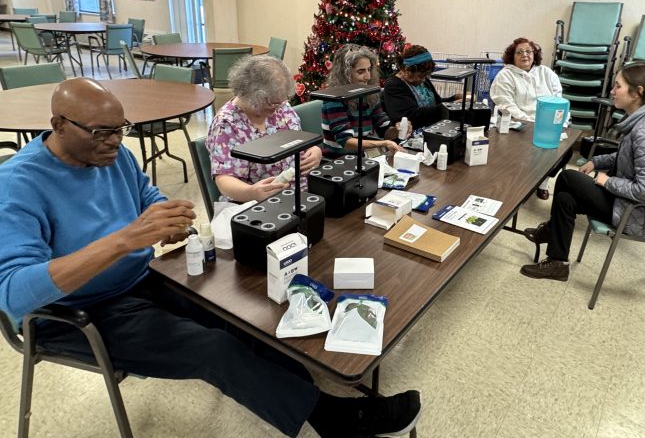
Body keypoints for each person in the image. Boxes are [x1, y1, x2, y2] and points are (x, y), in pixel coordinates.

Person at [0, 78, 422, 438]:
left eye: (120, 130)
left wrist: (167, 212)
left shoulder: (111, 155)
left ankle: (297, 385)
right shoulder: (17, 184)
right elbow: (15, 294)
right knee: (212, 348)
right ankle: (333, 419)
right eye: (100, 133)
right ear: (57, 124)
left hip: (138, 278)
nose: (115, 141)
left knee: (235, 315)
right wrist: (125, 240)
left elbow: (146, 196)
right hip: (73, 312)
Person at [520, 62, 645, 282]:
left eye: (617, 86)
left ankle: (550, 234)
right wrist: (597, 162)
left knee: (568, 177)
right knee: (564, 198)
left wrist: (606, 181)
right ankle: (557, 262)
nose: (612, 91)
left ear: (638, 93)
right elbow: (628, 157)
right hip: (637, 204)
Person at [207, 56, 322, 203]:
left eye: (280, 103)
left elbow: (298, 141)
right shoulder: (227, 124)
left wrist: (314, 151)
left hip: (298, 194)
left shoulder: (281, 108)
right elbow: (224, 179)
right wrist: (251, 193)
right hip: (255, 203)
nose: (277, 109)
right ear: (251, 95)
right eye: (272, 104)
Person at [489, 37, 568, 199]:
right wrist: (532, 124)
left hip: (548, 126)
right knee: (534, 149)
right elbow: (506, 105)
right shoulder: (505, 75)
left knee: (563, 152)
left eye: (528, 51)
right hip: (519, 125)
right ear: (512, 56)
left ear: (534, 54)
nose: (525, 55)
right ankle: (525, 183)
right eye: (519, 52)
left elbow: (559, 101)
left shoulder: (546, 72)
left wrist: (561, 123)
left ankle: (542, 181)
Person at [321, 43, 409, 157]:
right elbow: (346, 142)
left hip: (362, 157)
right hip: (337, 160)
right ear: (344, 74)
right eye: (360, 71)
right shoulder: (334, 99)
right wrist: (383, 143)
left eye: (369, 70)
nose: (368, 76)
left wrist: (398, 130)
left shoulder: (368, 94)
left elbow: (384, 129)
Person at [382, 44, 461, 131]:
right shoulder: (394, 86)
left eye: (425, 76)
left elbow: (437, 103)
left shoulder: (422, 81)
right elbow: (412, 117)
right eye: (420, 76)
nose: (423, 80)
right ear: (407, 70)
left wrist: (454, 99)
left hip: (432, 129)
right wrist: (448, 106)